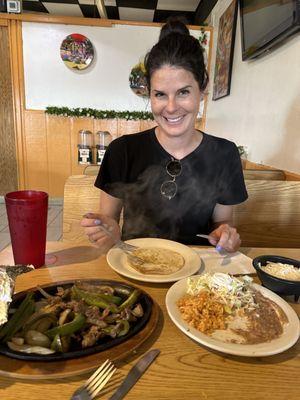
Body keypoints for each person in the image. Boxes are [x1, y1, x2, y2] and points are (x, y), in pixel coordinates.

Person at [81, 18, 248, 253]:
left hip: (197, 278)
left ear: (202, 91)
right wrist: (108, 231)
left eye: (183, 92)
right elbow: (109, 225)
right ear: (149, 94)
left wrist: (225, 235)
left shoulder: (224, 154)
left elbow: (223, 223)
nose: (170, 108)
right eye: (160, 94)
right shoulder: (123, 151)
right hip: (134, 265)